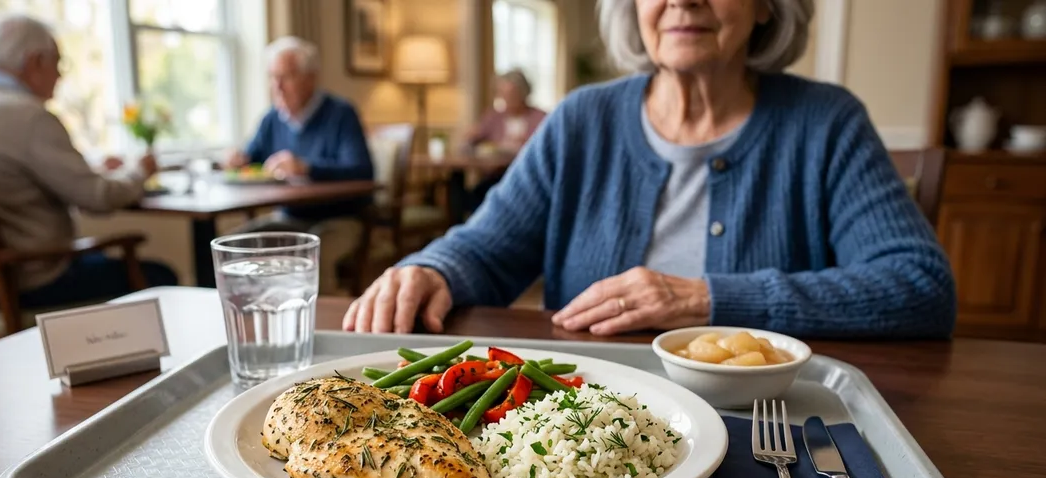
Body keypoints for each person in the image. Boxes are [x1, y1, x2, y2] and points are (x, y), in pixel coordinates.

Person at [344, 0, 957, 340]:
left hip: (768, 426)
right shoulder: (583, 118)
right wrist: (432, 268)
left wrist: (705, 300)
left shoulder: (825, 123)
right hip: (586, 427)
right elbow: (489, 246)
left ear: (768, 7)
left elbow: (919, 286)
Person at [0, 13, 177, 310]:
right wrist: (139, 171)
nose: (60, 75)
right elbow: (98, 199)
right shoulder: (26, 115)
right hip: (30, 281)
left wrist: (94, 171)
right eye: (58, 63)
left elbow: (16, 178)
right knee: (161, 277)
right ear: (36, 61)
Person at [226, 36, 374, 296]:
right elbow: (250, 159)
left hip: (340, 218)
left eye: (287, 77)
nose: (278, 86)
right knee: (233, 247)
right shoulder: (272, 118)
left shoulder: (341, 114)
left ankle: (320, 329)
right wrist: (237, 160)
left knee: (312, 258)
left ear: (311, 78)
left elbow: (362, 171)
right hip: (289, 217)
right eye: (273, 77)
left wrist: (307, 168)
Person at [450, 69, 549, 220]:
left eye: (512, 94)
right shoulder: (494, 116)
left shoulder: (540, 118)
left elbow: (545, 150)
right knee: (463, 192)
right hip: (495, 176)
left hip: (525, 180)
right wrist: (470, 141)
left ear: (524, 93)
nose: (507, 99)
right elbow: (468, 140)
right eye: (503, 94)